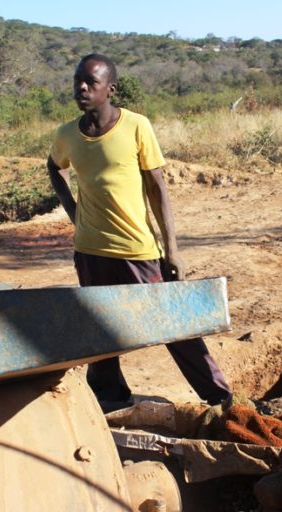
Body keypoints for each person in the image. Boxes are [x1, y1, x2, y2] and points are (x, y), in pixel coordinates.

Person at [46, 54, 232, 409]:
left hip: (138, 249)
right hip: (90, 250)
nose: (81, 88)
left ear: (110, 89)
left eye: (91, 82)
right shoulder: (67, 134)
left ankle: (220, 399)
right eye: (77, 81)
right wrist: (73, 212)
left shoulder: (136, 126)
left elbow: (158, 189)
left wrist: (172, 250)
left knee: (174, 326)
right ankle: (111, 400)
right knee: (98, 330)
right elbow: (54, 167)